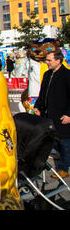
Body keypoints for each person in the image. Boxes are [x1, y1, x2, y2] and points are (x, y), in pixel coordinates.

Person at [33, 50, 70, 179]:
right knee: (52, 140)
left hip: (63, 115)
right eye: (46, 60)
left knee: (65, 142)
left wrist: (69, 115)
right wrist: (38, 106)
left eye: (49, 60)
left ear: (58, 60)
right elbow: (42, 93)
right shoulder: (48, 74)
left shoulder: (67, 75)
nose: (46, 62)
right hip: (49, 115)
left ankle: (64, 168)